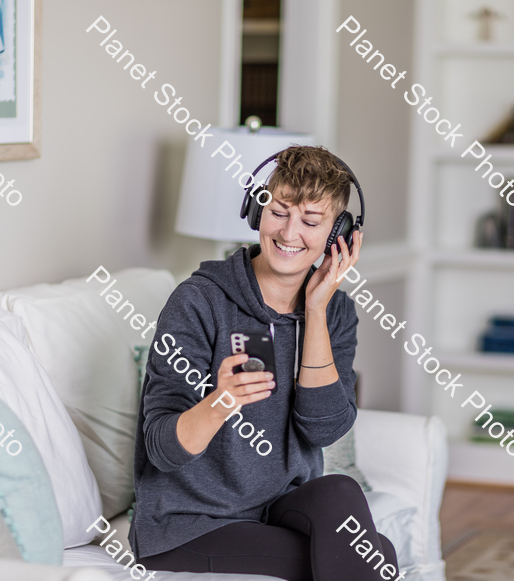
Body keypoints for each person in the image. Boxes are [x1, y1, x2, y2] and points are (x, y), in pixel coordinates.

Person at [129, 146, 400, 581]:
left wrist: (314, 311)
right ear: (258, 213)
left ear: (339, 235)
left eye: (311, 221)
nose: (290, 232)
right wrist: (221, 401)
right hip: (190, 523)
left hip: (275, 508)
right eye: (279, 212)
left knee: (342, 497)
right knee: (373, 555)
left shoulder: (335, 312)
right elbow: (162, 450)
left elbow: (323, 428)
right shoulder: (198, 301)